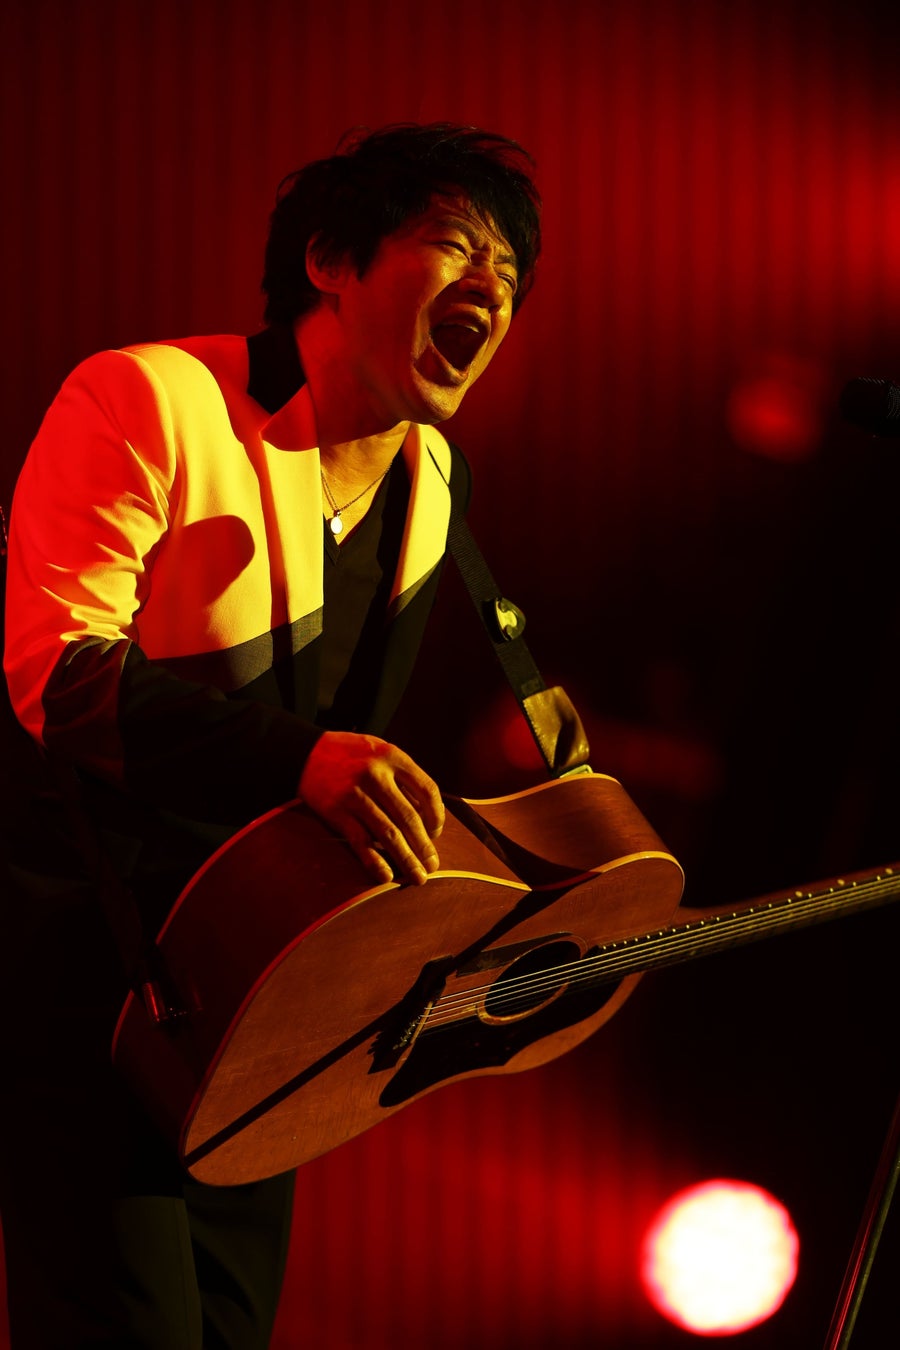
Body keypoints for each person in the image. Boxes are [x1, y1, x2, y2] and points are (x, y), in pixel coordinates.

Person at [0, 123, 541, 1348]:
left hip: (264, 1007)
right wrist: (296, 760)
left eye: (511, 274)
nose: (492, 289)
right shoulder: (148, 396)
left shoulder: (435, 478)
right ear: (330, 260)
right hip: (88, 991)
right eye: (459, 246)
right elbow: (56, 683)